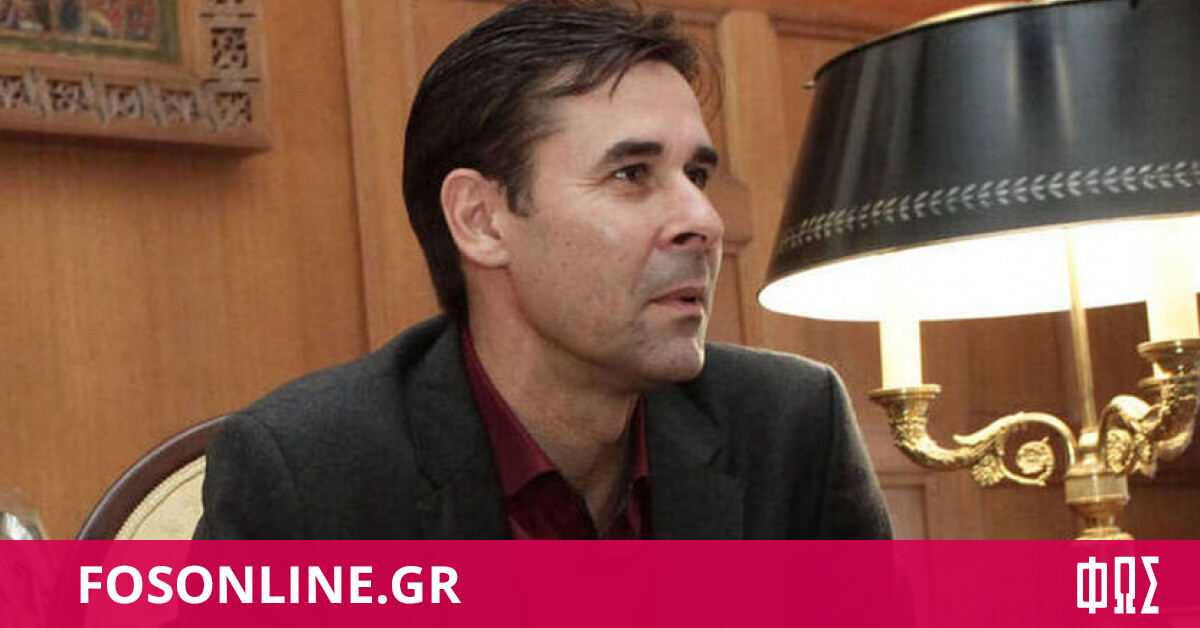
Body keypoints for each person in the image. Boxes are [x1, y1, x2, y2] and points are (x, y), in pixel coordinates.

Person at [194, 0, 891, 539]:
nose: (704, 220)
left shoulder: (792, 427)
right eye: (631, 173)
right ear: (481, 220)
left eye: (697, 175)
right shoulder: (311, 472)